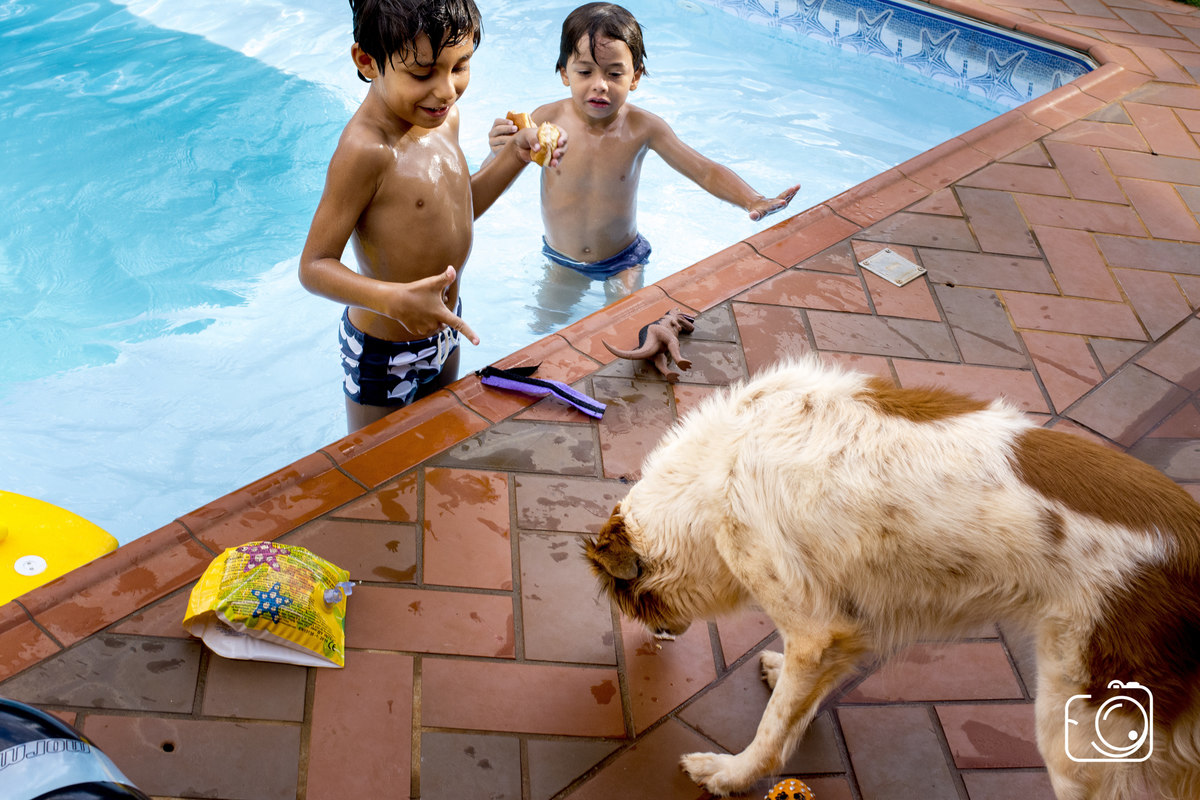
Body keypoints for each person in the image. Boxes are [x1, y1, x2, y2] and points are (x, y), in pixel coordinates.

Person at [300, 0, 566, 432]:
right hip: (384, 350)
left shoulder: (446, 119)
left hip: (444, 324)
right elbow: (313, 267)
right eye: (423, 73)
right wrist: (393, 300)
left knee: (440, 435)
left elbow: (461, 206)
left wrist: (516, 155)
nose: (445, 90)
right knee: (377, 468)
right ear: (367, 61)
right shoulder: (366, 151)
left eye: (460, 66)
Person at [486, 1, 799, 313]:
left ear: (635, 77)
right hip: (561, 256)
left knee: (626, 320)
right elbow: (491, 180)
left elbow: (703, 169)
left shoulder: (643, 128)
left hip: (624, 259)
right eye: (585, 71)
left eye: (614, 73)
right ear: (564, 73)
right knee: (544, 324)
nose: (599, 85)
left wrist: (752, 199)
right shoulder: (545, 119)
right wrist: (498, 150)